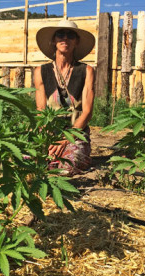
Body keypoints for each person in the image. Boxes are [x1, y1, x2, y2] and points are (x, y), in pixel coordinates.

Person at [34, 19, 95, 176]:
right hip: (49, 133)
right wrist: (49, 140)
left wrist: (66, 139)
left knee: (67, 166)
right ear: (54, 41)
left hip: (76, 133)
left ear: (76, 42)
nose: (65, 39)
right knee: (28, 159)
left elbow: (87, 112)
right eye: (60, 35)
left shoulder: (86, 70)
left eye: (71, 35)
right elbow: (41, 110)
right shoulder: (40, 71)